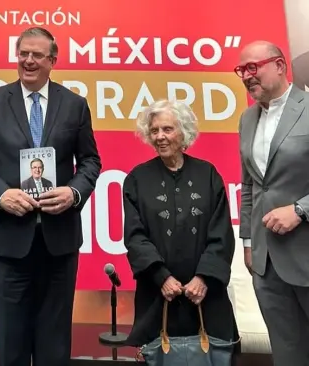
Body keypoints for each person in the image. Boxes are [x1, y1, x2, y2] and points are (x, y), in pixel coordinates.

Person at [0, 27, 101, 366]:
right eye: (23, 53)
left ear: (52, 61)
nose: (28, 60)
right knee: (11, 344)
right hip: (6, 241)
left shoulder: (74, 105)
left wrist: (74, 192)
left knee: (54, 346)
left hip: (59, 241)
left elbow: (90, 162)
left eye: (37, 55)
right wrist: (0, 194)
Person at [122, 99, 238, 350]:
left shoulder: (208, 174)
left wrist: (203, 278)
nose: (160, 137)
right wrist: (162, 277)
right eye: (154, 131)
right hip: (158, 294)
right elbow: (135, 236)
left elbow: (221, 233)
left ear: (183, 131)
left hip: (206, 296)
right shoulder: (136, 179)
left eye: (167, 129)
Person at [236, 40, 309, 365]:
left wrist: (299, 210)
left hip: (306, 254)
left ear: (280, 65)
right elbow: (251, 185)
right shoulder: (247, 119)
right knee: (287, 353)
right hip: (266, 264)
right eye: (241, 70)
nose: (247, 76)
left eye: (254, 67)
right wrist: (249, 243)